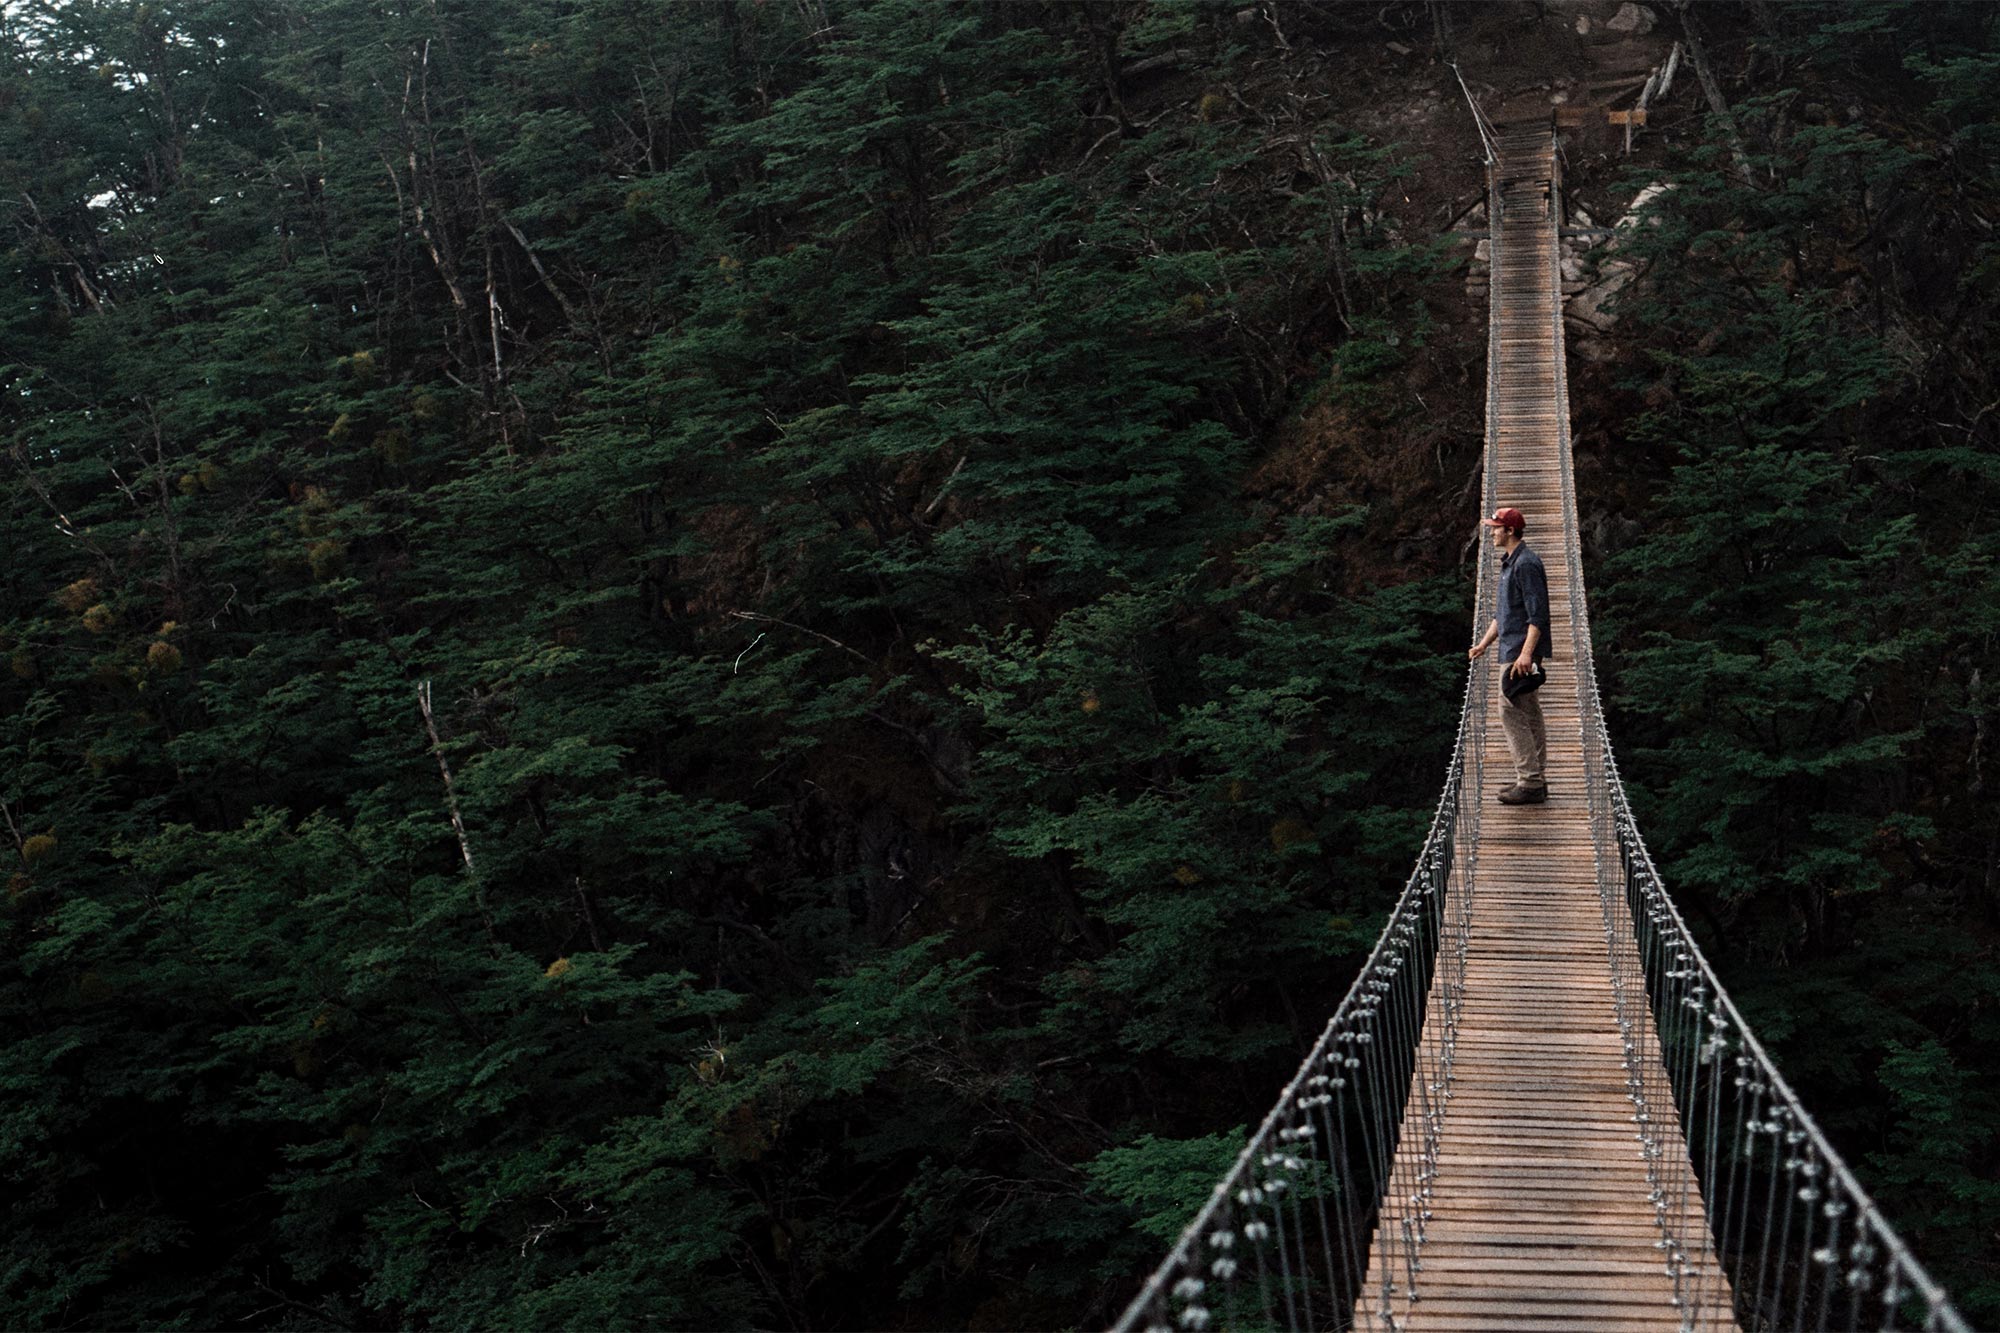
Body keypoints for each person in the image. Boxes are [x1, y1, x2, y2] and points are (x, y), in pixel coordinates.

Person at [1468, 506, 1551, 805]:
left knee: (1509, 710)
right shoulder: (1510, 564)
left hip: (1518, 653)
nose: (1491, 532)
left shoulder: (1525, 565)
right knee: (1528, 710)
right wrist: (1483, 644)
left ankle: (1529, 780)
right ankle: (1535, 779)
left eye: (1496, 528)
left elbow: (1537, 615)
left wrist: (1527, 654)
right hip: (1512, 648)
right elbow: (1503, 616)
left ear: (1510, 531)